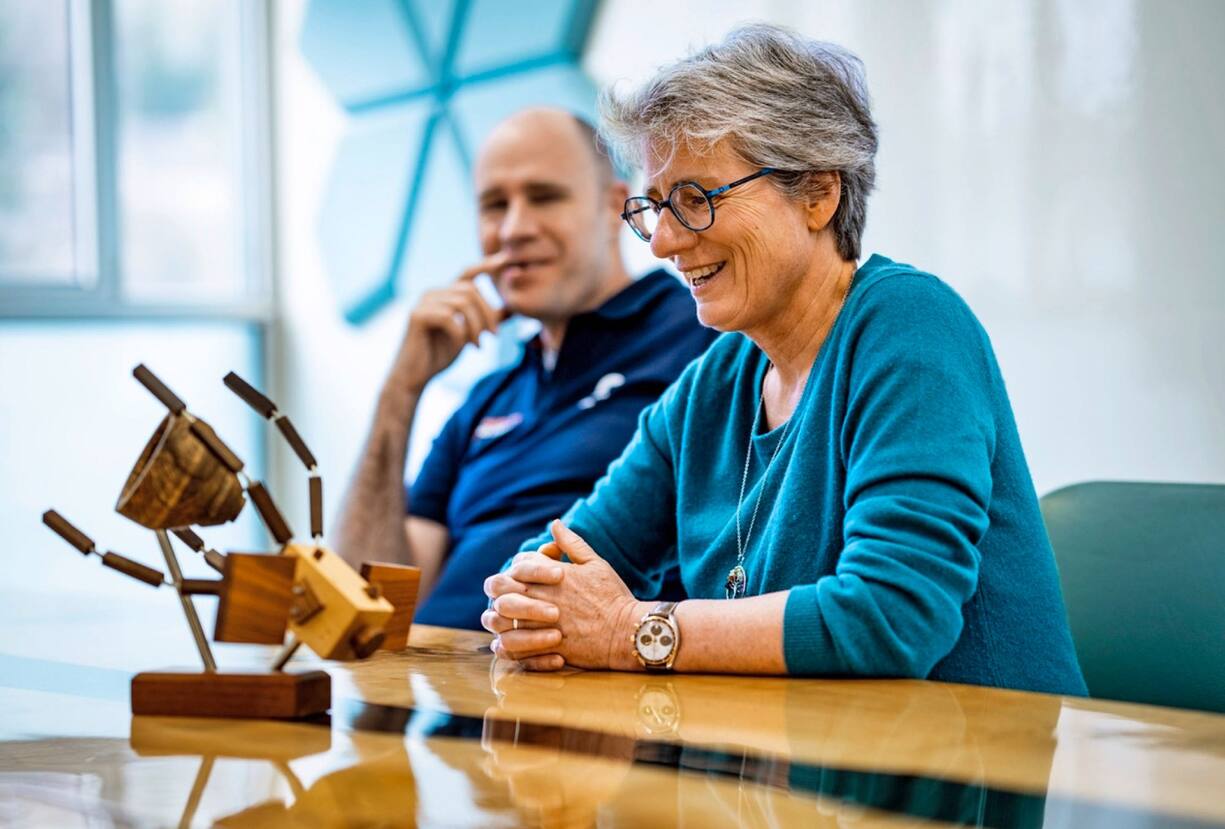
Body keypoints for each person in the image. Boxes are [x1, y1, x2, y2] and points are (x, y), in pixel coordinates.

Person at [481, 26, 1087, 695]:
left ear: (817, 194)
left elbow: (890, 618)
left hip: (953, 780)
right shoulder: (710, 385)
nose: (662, 242)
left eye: (696, 199)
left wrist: (631, 629)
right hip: (787, 772)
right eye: (654, 206)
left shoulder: (910, 325)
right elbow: (558, 560)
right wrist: (525, 601)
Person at [334, 108, 716, 630]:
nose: (513, 229)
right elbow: (368, 603)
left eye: (544, 197)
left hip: (579, 688)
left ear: (612, 208)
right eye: (494, 206)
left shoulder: (699, 338)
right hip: (435, 690)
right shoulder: (487, 399)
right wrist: (400, 390)